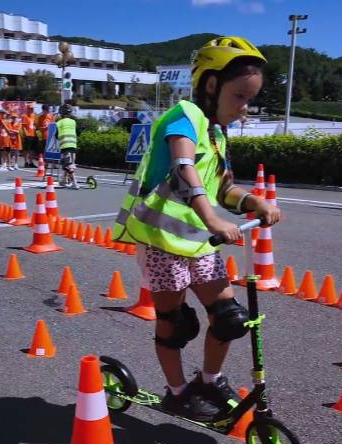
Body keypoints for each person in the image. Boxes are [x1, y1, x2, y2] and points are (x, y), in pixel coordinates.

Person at [111, 36, 281, 422]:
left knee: (228, 317)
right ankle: (177, 393)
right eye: (239, 96)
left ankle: (209, 380)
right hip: (161, 242)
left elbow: (222, 188)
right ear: (211, 85)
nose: (244, 108)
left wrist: (252, 202)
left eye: (249, 99)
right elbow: (182, 168)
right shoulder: (185, 115)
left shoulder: (216, 134)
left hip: (199, 242)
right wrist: (212, 219)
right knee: (175, 325)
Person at [54, 104, 78, 188]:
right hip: (73, 145)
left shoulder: (59, 123)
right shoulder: (73, 122)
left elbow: (56, 135)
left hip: (65, 145)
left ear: (61, 113)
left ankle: (74, 183)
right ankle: (63, 181)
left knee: (68, 165)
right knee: (68, 164)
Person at [22, 104, 38, 168]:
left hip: (33, 134)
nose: (32, 110)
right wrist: (26, 134)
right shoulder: (24, 116)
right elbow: (23, 126)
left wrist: (35, 127)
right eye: (30, 109)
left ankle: (31, 162)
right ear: (27, 109)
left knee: (32, 150)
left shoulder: (34, 115)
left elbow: (35, 124)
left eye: (32, 109)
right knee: (26, 149)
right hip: (27, 135)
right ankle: (26, 162)